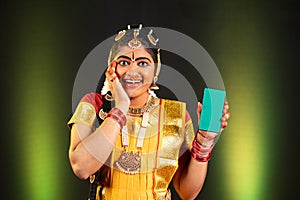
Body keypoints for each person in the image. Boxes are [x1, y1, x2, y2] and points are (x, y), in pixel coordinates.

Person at [67, 24, 230, 200]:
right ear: (110, 68)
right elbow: (81, 168)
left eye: (143, 63)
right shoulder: (94, 104)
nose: (132, 71)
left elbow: (187, 192)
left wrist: (204, 141)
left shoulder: (176, 115)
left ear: (155, 72)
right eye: (123, 62)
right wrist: (121, 106)